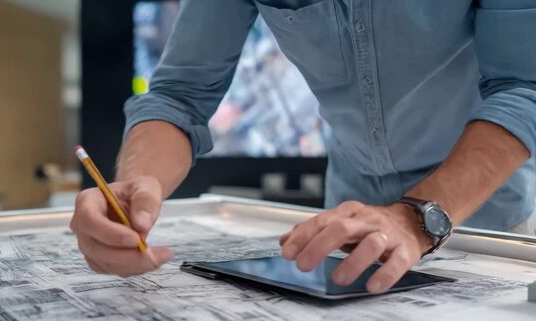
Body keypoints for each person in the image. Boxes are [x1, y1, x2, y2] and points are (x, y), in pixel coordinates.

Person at [70, 0, 536, 293]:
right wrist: (135, 186)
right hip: (346, 221)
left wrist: (417, 216)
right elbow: (179, 96)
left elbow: (524, 87)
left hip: (487, 216)